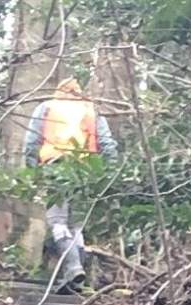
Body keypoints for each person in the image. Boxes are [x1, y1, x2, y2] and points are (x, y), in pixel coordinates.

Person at [24, 76, 118, 293]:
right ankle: (76, 278)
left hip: (56, 167)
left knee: (57, 222)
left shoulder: (46, 107)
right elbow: (106, 143)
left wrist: (32, 171)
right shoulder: (90, 111)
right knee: (76, 226)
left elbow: (32, 142)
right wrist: (108, 173)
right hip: (85, 170)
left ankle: (74, 268)